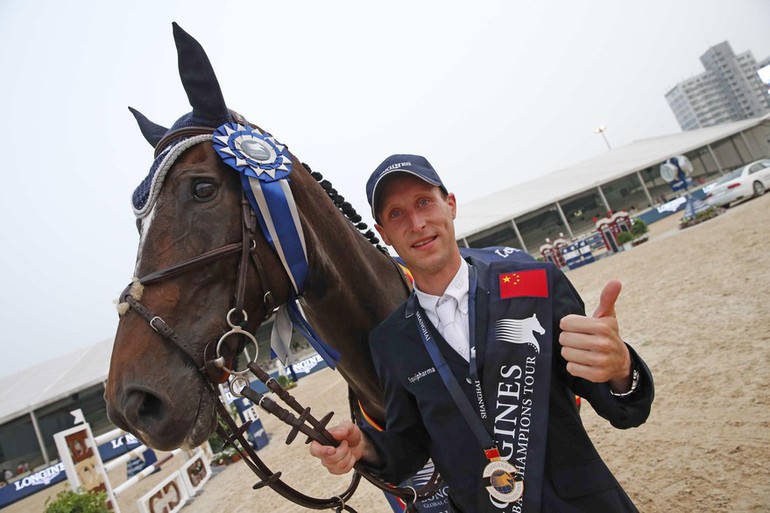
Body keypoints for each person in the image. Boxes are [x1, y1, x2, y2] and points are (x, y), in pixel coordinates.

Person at [310, 154, 654, 512]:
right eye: (396, 214)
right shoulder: (390, 341)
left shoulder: (537, 286)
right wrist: (364, 447)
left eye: (424, 202)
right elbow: (409, 449)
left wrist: (621, 370)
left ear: (451, 205)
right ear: (383, 234)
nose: (416, 223)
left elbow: (624, 410)